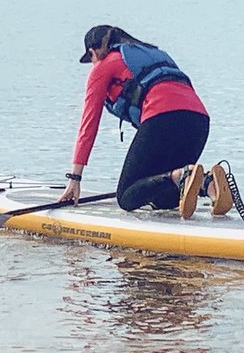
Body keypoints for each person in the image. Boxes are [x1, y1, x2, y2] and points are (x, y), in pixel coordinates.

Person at [60, 25, 232, 219]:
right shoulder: (154, 53)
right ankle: (208, 183)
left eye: (90, 58)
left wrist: (75, 178)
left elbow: (88, 125)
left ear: (93, 51)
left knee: (126, 196)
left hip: (163, 118)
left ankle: (183, 175)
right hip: (199, 121)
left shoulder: (103, 65)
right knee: (164, 199)